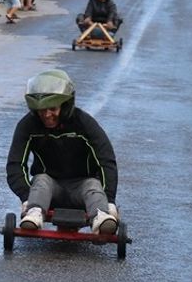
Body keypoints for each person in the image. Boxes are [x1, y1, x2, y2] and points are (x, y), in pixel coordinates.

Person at [7, 70, 119, 234]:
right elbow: (15, 164)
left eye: (52, 109)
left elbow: (106, 160)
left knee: (93, 184)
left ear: (65, 105)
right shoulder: (28, 125)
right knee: (41, 179)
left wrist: (109, 199)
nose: (46, 115)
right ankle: (34, 213)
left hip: (82, 186)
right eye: (41, 110)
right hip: (49, 191)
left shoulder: (84, 124)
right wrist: (25, 196)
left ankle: (101, 217)